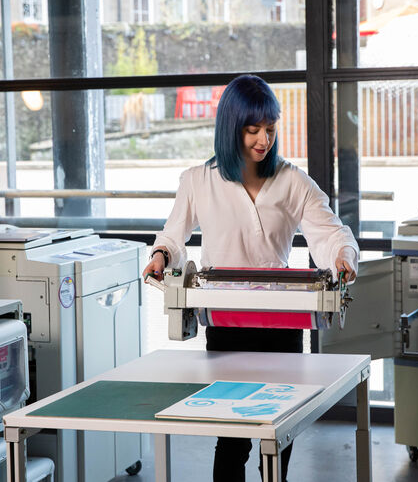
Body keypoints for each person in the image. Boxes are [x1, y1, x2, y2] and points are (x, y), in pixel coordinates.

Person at [142, 74, 358, 482]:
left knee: (281, 429)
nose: (264, 140)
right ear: (231, 127)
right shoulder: (197, 180)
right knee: (233, 435)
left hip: (284, 320)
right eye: (253, 130)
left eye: (271, 130)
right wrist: (160, 255)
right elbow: (173, 235)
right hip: (226, 323)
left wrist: (343, 258)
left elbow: (329, 233)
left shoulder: (292, 181)